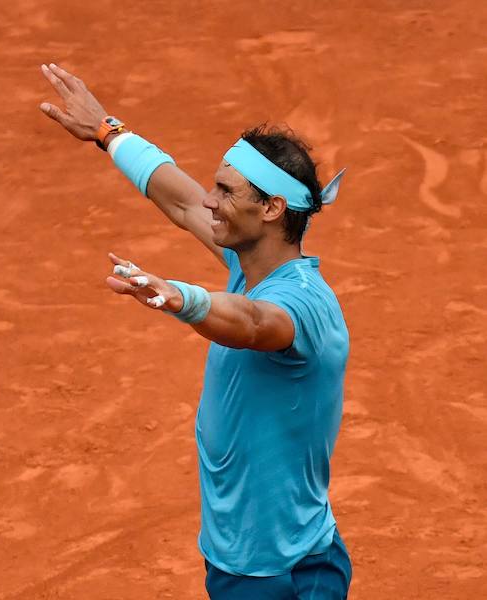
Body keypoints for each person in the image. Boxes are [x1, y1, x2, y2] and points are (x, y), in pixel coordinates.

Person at [38, 62, 353, 600]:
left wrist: (183, 298)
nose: (210, 200)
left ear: (272, 209)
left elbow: (253, 325)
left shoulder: (299, 305)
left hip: (283, 576)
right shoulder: (251, 266)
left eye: (226, 192)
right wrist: (108, 133)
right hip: (240, 563)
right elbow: (180, 199)